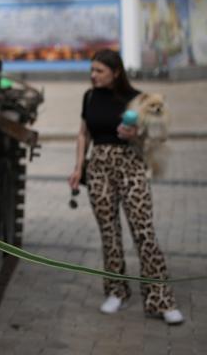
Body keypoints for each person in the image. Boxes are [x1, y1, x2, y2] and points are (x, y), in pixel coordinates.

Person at [68, 49, 183, 324]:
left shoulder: (138, 99)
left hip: (130, 165)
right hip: (99, 167)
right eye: (92, 70)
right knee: (109, 233)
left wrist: (137, 134)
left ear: (116, 72)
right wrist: (78, 166)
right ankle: (116, 291)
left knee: (144, 231)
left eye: (99, 71)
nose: (93, 76)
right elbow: (83, 133)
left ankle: (161, 299)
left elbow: (156, 136)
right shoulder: (90, 96)